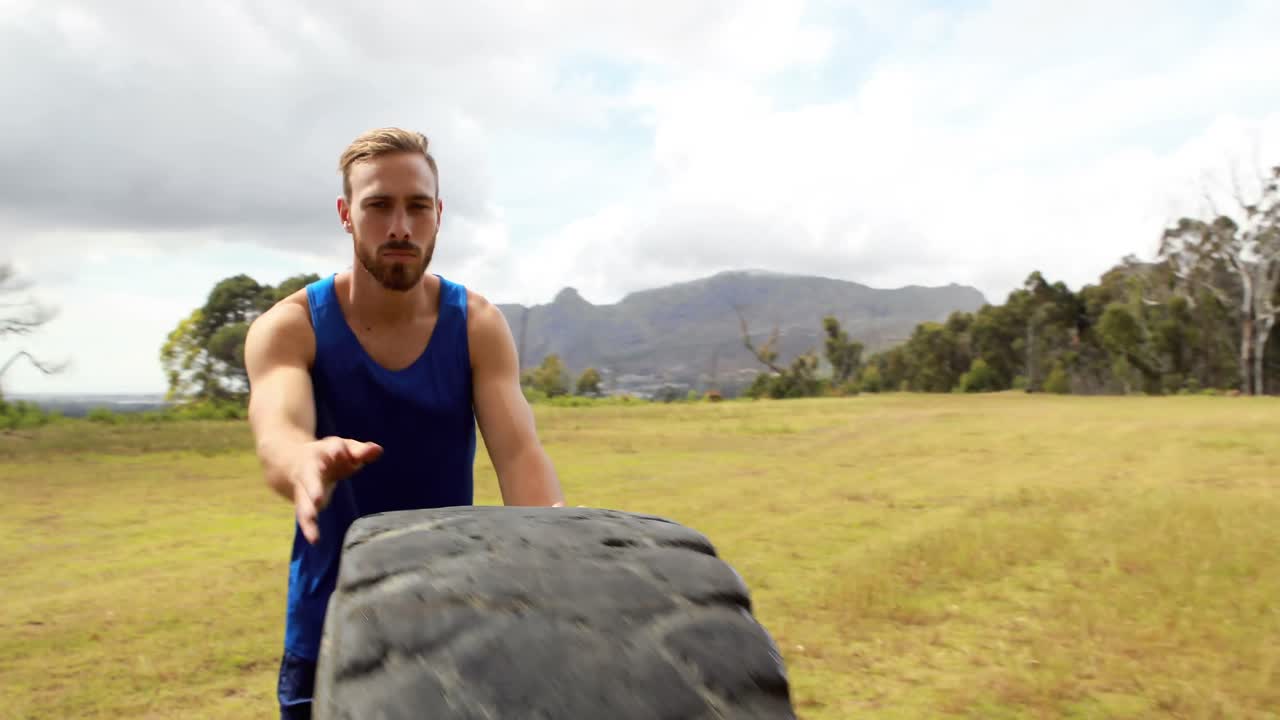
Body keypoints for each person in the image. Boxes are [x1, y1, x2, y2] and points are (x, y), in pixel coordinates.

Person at [243, 127, 566, 719]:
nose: (400, 227)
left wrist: (559, 560)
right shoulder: (291, 327)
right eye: (378, 206)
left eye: (417, 207)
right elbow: (277, 432)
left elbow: (520, 457)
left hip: (456, 625)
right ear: (346, 214)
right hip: (331, 632)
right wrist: (303, 460)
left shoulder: (476, 325)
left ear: (438, 215)